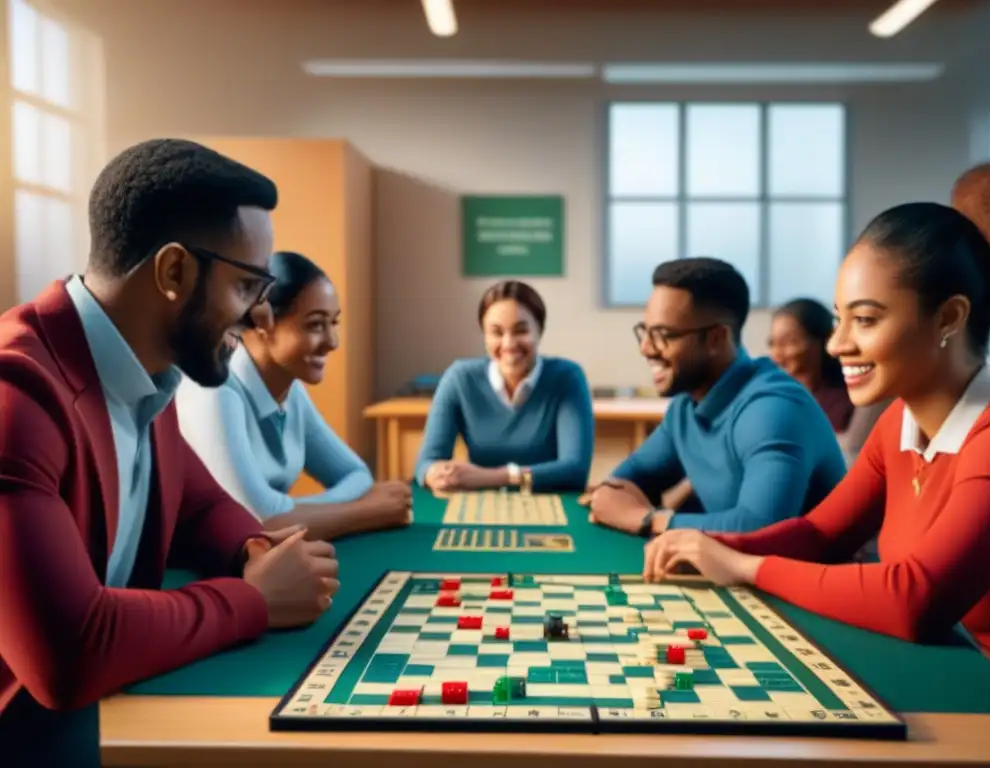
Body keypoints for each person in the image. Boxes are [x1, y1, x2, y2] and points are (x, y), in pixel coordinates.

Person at [0, 139, 339, 764]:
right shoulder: (16, 396)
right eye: (247, 287)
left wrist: (253, 551)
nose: (261, 317)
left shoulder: (148, 373)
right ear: (174, 272)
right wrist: (255, 601)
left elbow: (198, 507)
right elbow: (65, 655)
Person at [643, 162, 990, 689]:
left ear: (949, 318)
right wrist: (715, 545)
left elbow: (915, 599)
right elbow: (821, 534)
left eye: (865, 320)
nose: (836, 343)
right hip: (955, 678)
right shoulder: (898, 422)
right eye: (839, 317)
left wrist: (746, 568)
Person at [589, 258, 847, 538]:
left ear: (716, 339)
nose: (645, 348)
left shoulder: (773, 409)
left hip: (813, 576)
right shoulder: (686, 407)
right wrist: (615, 496)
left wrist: (648, 519)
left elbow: (762, 529)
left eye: (663, 335)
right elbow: (631, 477)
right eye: (645, 331)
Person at [176, 250, 412, 541]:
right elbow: (258, 522)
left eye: (333, 323)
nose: (332, 342)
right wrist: (370, 512)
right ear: (261, 319)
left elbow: (356, 476)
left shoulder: (291, 389)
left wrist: (290, 511)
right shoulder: (213, 391)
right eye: (314, 324)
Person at [414, 280, 594, 493]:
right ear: (484, 335)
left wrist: (492, 477)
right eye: (497, 333)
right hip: (480, 508)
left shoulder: (566, 377)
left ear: (540, 331)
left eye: (521, 331)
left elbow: (575, 471)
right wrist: (434, 474)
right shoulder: (460, 378)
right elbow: (425, 464)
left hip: (554, 507)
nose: (509, 344)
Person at [768, 297, 890, 464]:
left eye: (790, 342)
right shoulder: (772, 397)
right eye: (773, 343)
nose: (777, 353)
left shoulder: (854, 394)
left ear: (824, 340)